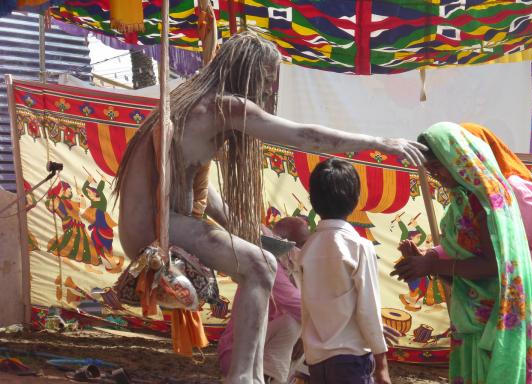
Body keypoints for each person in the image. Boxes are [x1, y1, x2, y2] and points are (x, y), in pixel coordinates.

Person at [114, 31, 425, 383]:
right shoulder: (224, 105)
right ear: (247, 72)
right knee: (261, 265)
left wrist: (243, 228)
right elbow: (306, 136)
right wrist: (377, 143)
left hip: (150, 222)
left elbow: (199, 188)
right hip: (155, 226)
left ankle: (251, 374)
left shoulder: (191, 102)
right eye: (264, 80)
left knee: (260, 259)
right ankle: (244, 378)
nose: (266, 91)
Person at [392, 122, 532, 384]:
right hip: (475, 316)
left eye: (437, 167)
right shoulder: (464, 200)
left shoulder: (487, 201)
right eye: (429, 170)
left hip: (493, 317)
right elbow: (464, 248)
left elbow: (494, 264)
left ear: (457, 158)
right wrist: (429, 257)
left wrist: (431, 267)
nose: (435, 176)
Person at [296, 158, 390, 384]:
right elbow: (368, 309)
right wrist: (382, 367)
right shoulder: (359, 247)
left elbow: (306, 308)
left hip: (317, 359)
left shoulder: (307, 249)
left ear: (313, 201)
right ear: (356, 199)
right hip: (351, 359)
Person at [460, 122, 532, 324]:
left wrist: (493, 266)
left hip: (530, 301)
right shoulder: (476, 194)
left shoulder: (515, 188)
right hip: (500, 301)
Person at [218, 217, 308, 384]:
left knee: (303, 330)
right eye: (301, 244)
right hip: (236, 352)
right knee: (293, 324)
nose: (305, 249)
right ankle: (268, 379)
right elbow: (300, 307)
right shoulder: (268, 264)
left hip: (260, 348)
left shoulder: (295, 269)